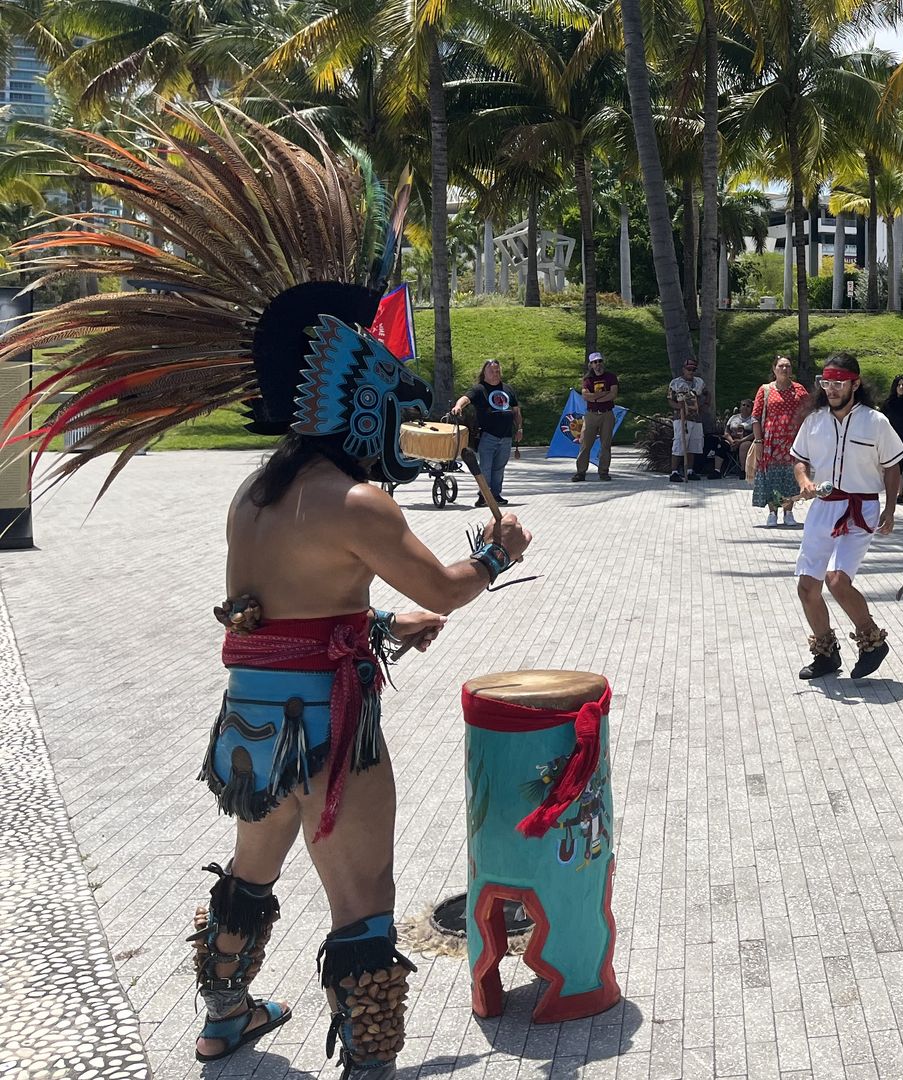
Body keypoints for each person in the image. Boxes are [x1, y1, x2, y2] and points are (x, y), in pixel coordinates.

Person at [0, 113, 536, 1077]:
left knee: (252, 872)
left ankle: (223, 1017)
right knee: (363, 894)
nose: (402, 420)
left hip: (252, 726)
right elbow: (447, 586)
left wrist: (380, 625)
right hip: (329, 729)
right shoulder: (356, 502)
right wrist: (495, 556)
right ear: (353, 403)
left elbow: (272, 618)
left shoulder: (253, 494)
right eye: (390, 401)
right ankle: (369, 1058)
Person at [790, 354, 903, 680]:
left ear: (855, 384)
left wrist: (890, 509)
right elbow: (799, 459)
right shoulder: (814, 421)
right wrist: (804, 481)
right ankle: (826, 655)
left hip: (860, 508)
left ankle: (872, 642)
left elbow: (892, 467)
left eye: (839, 383)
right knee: (807, 587)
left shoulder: (876, 421)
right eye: (827, 383)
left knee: (837, 580)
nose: (832, 389)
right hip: (823, 508)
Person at [751, 355, 810, 526]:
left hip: (793, 441)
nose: (785, 369)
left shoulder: (799, 389)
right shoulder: (765, 390)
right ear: (774, 369)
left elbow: (810, 411)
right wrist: (758, 441)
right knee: (771, 476)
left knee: (790, 476)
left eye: (788, 366)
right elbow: (755, 417)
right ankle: (772, 512)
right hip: (771, 442)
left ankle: (788, 511)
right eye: (781, 366)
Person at [453, 360, 521, 505]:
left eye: (497, 371)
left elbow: (516, 411)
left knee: (499, 468)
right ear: (484, 372)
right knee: (485, 468)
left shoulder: (507, 389)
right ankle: (484, 496)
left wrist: (519, 428)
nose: (495, 374)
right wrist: (458, 406)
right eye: (492, 371)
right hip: (488, 436)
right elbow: (466, 398)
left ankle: (496, 495)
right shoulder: (479, 389)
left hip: (506, 436)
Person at [572, 351, 617, 482]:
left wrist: (595, 398)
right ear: (591, 365)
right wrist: (602, 395)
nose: (598, 364)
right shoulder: (587, 380)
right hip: (591, 414)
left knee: (605, 444)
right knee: (585, 444)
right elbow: (585, 395)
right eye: (595, 362)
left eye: (600, 361)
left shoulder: (611, 377)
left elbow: (613, 394)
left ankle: (603, 471)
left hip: (607, 414)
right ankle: (581, 472)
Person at [667, 359, 708, 481]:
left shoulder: (699, 382)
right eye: (689, 369)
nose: (691, 371)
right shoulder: (675, 383)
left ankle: (690, 471)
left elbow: (707, 394)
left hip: (696, 418)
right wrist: (678, 407)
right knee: (679, 443)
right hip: (681, 418)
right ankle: (674, 472)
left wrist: (705, 405)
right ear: (683, 369)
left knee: (693, 445)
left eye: (693, 369)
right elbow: (670, 399)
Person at [715, 398, 754, 479]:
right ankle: (717, 471)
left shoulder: (753, 419)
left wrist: (740, 441)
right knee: (722, 444)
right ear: (740, 407)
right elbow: (726, 432)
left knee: (744, 446)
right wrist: (731, 441)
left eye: (748, 406)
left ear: (751, 409)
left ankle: (743, 471)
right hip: (732, 440)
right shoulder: (734, 417)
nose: (745, 407)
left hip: (746, 440)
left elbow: (754, 434)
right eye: (743, 405)